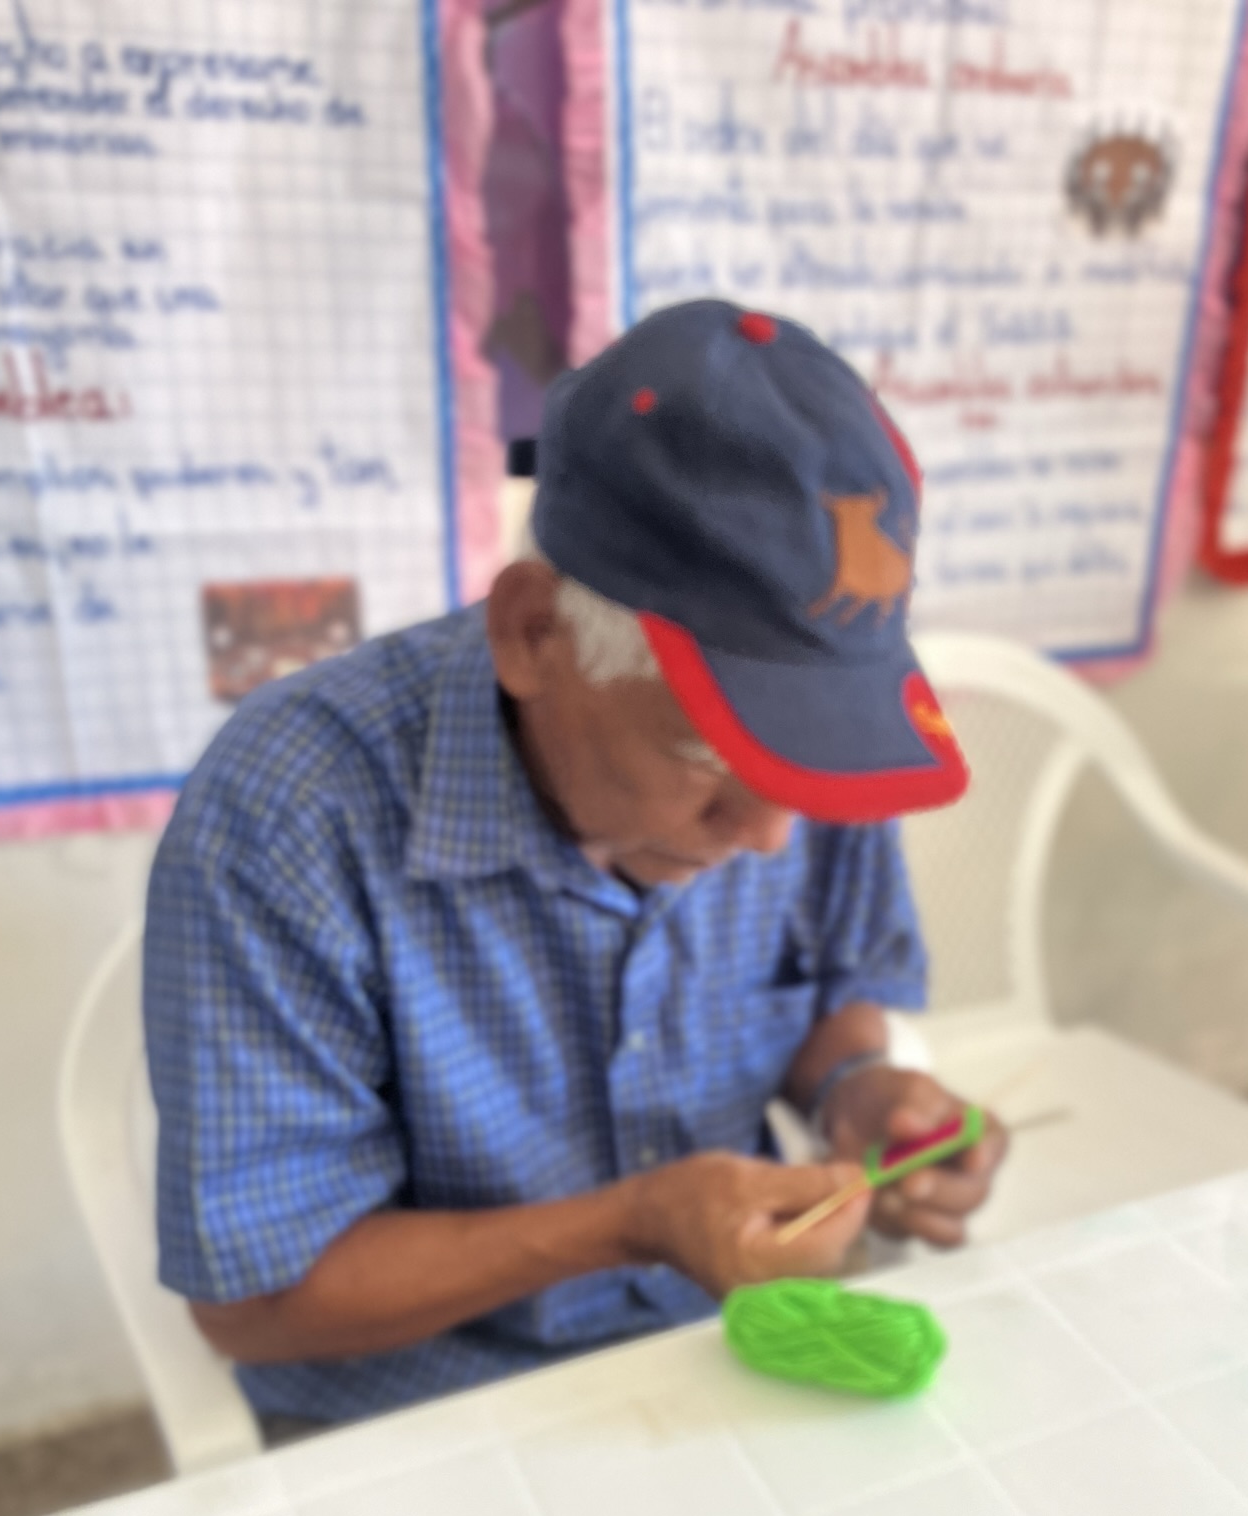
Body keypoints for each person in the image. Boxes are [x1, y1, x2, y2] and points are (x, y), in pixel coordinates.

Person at [145, 299, 1008, 1442]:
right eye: (706, 756)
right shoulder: (291, 813)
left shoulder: (808, 753)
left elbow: (834, 994)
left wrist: (861, 1094)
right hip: (431, 1411)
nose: (769, 836)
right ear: (532, 633)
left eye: (798, 765)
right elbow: (258, 1299)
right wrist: (633, 1223)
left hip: (733, 1335)